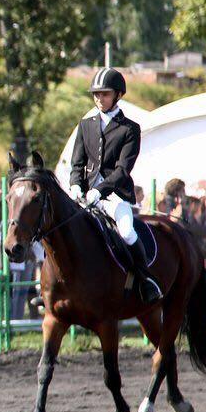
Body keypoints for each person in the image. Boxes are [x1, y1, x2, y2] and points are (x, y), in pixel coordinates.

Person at [68, 68, 162, 304]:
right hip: (85, 195)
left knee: (127, 232)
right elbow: (77, 162)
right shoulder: (85, 124)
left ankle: (144, 279)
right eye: (96, 94)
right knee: (62, 229)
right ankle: (54, 286)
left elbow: (122, 170)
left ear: (118, 95)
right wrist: (75, 185)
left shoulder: (129, 129)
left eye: (105, 94)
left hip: (115, 196)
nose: (99, 98)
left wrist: (99, 191)